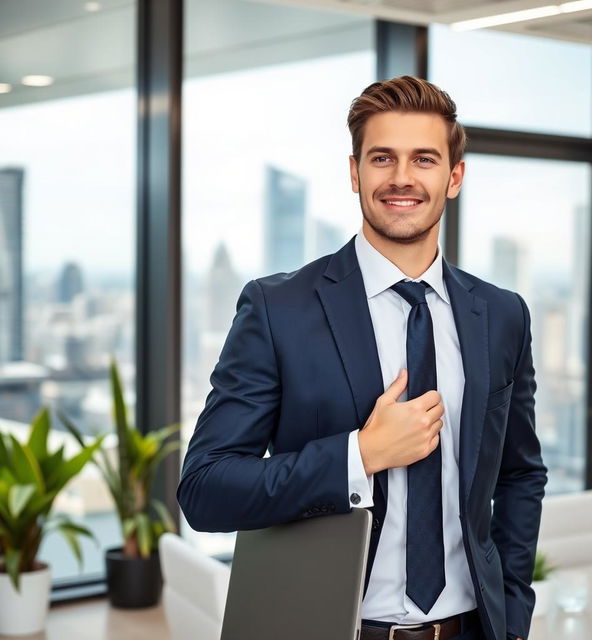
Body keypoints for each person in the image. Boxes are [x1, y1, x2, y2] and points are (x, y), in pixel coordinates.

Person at [178, 75, 547, 640]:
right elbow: (205, 490)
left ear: (454, 177)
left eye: (423, 159)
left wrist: (514, 613)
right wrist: (360, 454)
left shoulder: (501, 315)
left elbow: (521, 472)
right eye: (382, 158)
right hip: (330, 626)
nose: (402, 178)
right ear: (354, 172)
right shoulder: (279, 309)